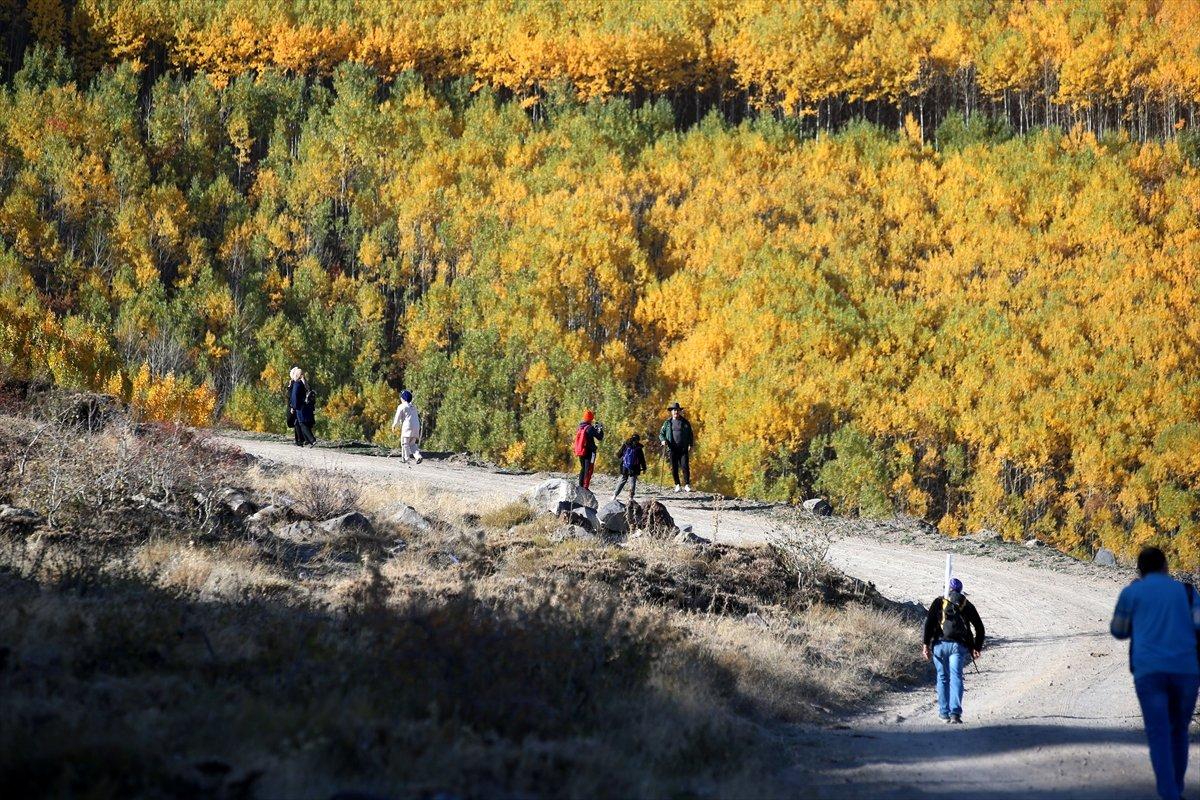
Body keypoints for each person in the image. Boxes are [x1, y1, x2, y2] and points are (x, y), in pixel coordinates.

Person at [1110, 546, 1200, 800]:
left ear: (1140, 570)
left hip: (1149, 672)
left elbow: (1119, 631)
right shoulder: (1187, 591)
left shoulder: (1132, 592)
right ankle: (1177, 788)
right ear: (1165, 567)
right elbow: (1199, 624)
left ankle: (1169, 793)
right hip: (1186, 671)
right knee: (1179, 730)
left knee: (1158, 732)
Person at [922, 577, 985, 724]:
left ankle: (944, 714)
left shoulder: (939, 602)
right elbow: (979, 627)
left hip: (939, 645)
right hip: (958, 646)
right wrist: (976, 647)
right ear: (960, 590)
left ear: (946, 588)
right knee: (956, 677)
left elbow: (929, 623)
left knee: (942, 678)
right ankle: (955, 714)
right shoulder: (966, 604)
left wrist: (925, 644)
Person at [658, 402, 694, 492]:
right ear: (671, 412)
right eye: (674, 410)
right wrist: (663, 440)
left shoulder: (685, 422)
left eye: (677, 410)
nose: (676, 412)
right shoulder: (667, 423)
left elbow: (690, 434)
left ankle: (687, 484)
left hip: (683, 448)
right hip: (672, 449)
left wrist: (690, 444)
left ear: (679, 411)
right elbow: (661, 434)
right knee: (674, 468)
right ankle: (677, 484)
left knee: (685, 466)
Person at [573, 410, 604, 490]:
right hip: (590, 452)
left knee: (583, 468)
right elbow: (599, 437)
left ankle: (580, 486)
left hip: (581, 451)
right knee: (589, 469)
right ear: (591, 419)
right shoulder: (589, 428)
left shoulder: (580, 427)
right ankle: (585, 487)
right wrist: (600, 429)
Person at [390, 389, 423, 463]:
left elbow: (397, 417)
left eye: (401, 397)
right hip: (416, 428)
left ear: (403, 398)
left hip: (407, 427)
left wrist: (394, 425)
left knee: (405, 443)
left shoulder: (401, 406)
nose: (400, 398)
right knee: (412, 444)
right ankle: (418, 456)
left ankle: (405, 458)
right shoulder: (413, 407)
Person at [287, 367, 317, 447]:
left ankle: (311, 440)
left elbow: (294, 396)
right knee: (305, 424)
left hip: (300, 407)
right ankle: (307, 440)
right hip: (308, 407)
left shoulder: (297, 383)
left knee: (302, 424)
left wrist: (293, 406)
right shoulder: (305, 383)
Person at [613, 434, 648, 500]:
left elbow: (619, 455)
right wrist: (644, 468)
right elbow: (642, 459)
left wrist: (618, 455)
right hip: (634, 468)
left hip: (625, 467)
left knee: (623, 480)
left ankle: (615, 495)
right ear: (638, 440)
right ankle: (630, 497)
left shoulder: (626, 445)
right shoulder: (639, 448)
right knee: (632, 481)